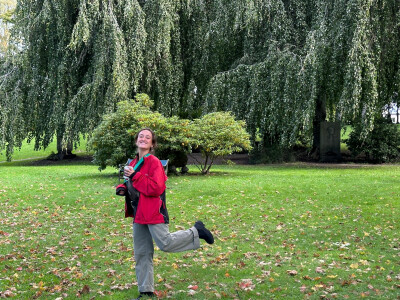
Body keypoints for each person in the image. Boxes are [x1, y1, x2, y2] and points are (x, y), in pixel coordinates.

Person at [116, 128, 214, 300]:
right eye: (141, 136)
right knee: (142, 252)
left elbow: (156, 188)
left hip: (154, 211)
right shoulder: (132, 162)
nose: (143, 139)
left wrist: (136, 176)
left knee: (166, 243)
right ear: (136, 140)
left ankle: (196, 231)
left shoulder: (153, 162)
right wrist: (122, 188)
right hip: (139, 212)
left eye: (148, 137)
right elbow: (128, 181)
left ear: (152, 144)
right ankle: (146, 291)